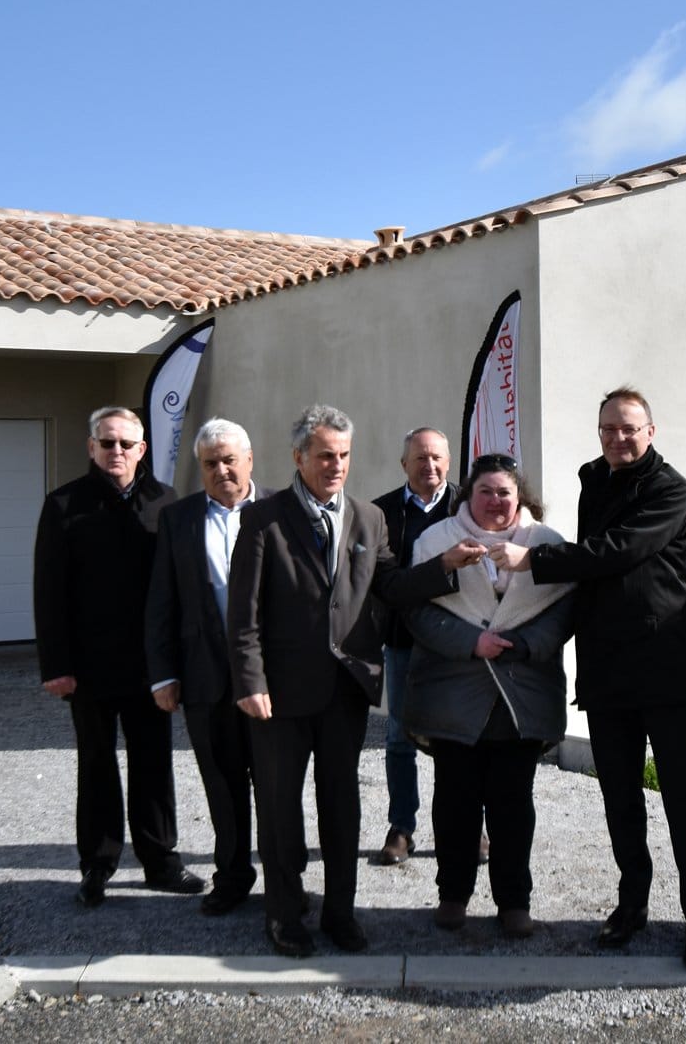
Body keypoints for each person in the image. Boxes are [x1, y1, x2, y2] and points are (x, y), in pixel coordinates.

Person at [493, 386, 686, 968]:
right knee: (619, 798)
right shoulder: (596, 480)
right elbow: (596, 570)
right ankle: (632, 904)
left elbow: (618, 551)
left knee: (683, 801)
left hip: (661, 666)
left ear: (651, 430)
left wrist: (536, 559)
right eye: (608, 429)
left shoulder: (671, 490)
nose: (618, 438)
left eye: (629, 428)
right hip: (606, 669)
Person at [227, 404, 448, 958]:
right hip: (278, 693)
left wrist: (447, 568)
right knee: (279, 808)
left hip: (344, 689)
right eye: (325, 455)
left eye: (345, 456)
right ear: (299, 457)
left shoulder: (368, 519)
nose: (336, 466)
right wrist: (250, 679)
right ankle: (283, 916)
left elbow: (392, 585)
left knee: (341, 805)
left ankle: (340, 914)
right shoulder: (264, 519)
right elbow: (243, 612)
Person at [33, 406, 202, 908]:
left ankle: (160, 861)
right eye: (107, 443)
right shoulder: (64, 505)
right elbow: (49, 592)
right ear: (91, 447)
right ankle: (98, 865)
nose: (117, 452)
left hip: (151, 666)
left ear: (142, 450)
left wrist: (178, 660)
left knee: (154, 763)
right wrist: (56, 666)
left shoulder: (165, 503)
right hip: (89, 668)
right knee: (97, 765)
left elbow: (178, 588)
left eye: (127, 445)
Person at [402, 453, 574, 939]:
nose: (495, 501)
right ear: (468, 495)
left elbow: (565, 611)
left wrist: (525, 642)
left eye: (504, 492)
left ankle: (514, 902)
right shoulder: (435, 541)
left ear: (520, 497)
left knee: (512, 804)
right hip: (455, 691)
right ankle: (452, 895)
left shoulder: (546, 544)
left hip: (520, 693)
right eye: (485, 492)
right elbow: (415, 611)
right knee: (454, 800)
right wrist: (470, 642)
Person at [144, 417, 261, 916]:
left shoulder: (280, 512)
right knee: (222, 783)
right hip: (205, 679)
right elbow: (161, 601)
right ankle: (232, 877)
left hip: (272, 681)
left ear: (249, 460)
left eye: (229, 460)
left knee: (276, 786)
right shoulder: (179, 518)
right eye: (210, 464)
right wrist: (164, 673)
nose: (221, 471)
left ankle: (283, 880)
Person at [369, 427, 457, 866]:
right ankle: (402, 826)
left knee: (459, 738)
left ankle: (465, 826)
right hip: (404, 643)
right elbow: (386, 584)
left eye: (438, 458)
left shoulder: (467, 507)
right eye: (420, 459)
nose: (430, 466)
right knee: (401, 737)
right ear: (404, 464)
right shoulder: (381, 513)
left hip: (458, 643)